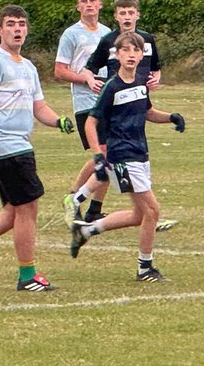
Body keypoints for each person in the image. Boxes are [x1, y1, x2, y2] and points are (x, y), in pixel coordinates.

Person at [0, 5, 76, 292]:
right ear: (0, 30)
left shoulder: (28, 66)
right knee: (28, 207)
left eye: (21, 24)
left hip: (20, 145)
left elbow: (39, 107)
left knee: (13, 213)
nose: (17, 29)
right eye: (11, 24)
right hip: (5, 147)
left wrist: (58, 121)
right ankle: (27, 276)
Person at [68, 32, 186, 280]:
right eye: (126, 50)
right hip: (122, 155)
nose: (131, 55)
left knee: (138, 215)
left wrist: (171, 117)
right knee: (153, 211)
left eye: (136, 51)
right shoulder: (112, 87)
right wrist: (98, 156)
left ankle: (87, 231)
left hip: (141, 153)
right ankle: (145, 268)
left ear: (141, 55)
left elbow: (148, 112)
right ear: (117, 55)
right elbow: (91, 123)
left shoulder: (141, 82)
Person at [70, 0, 176, 228]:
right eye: (122, 13)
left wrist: (154, 81)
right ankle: (78, 200)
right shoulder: (109, 41)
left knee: (121, 158)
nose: (127, 17)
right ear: (116, 16)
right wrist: (91, 81)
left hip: (137, 104)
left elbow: (155, 70)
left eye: (131, 13)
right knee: (112, 155)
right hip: (115, 106)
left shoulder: (147, 40)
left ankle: (91, 209)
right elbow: (89, 69)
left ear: (137, 15)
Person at [54, 0, 111, 226]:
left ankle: (94, 209)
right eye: (83, 1)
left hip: (110, 102)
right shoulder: (71, 34)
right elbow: (59, 71)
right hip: (87, 105)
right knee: (104, 155)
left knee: (112, 155)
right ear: (78, 6)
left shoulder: (109, 33)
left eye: (92, 0)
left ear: (100, 4)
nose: (88, 4)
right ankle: (73, 197)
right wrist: (87, 79)